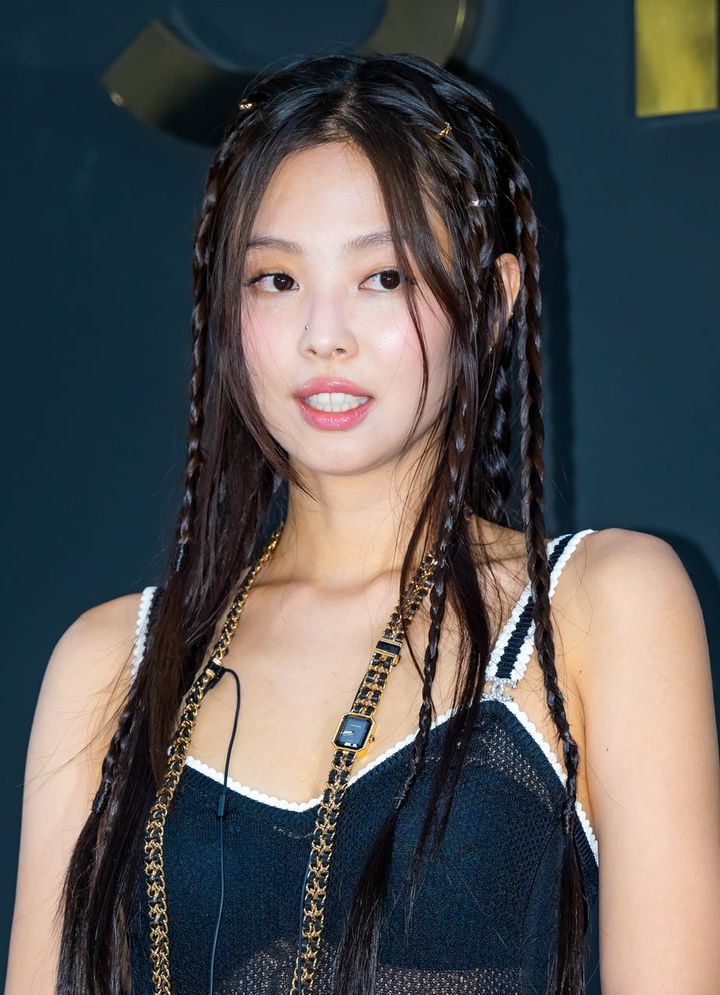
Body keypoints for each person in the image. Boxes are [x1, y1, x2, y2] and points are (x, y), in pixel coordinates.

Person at [5, 50, 720, 995]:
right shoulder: (114, 663)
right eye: (275, 279)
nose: (324, 335)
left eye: (383, 276)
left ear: (492, 302)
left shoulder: (595, 607)